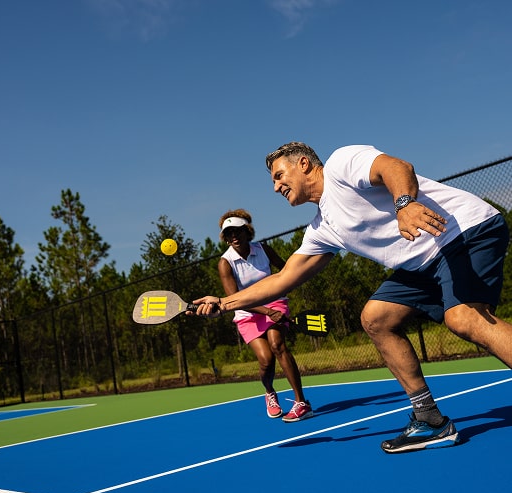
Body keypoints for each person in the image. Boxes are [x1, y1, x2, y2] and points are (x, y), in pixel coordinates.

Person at [193, 142, 512, 453]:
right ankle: (430, 420)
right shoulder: (322, 229)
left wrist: (405, 204)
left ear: (303, 164)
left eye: (279, 175)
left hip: (463, 231)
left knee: (463, 318)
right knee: (376, 319)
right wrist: (223, 304)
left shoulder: (341, 165)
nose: (276, 187)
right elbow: (282, 279)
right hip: (423, 262)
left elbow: (396, 167)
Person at [217, 209, 313, 422]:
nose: (234, 236)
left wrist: (297, 280)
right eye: (229, 233)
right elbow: (234, 300)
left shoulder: (264, 250)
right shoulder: (225, 263)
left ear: (247, 231)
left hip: (274, 302)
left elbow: (287, 270)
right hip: (246, 312)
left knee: (277, 345)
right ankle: (270, 391)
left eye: (237, 231)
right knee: (266, 361)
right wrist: (267, 312)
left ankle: (302, 402)